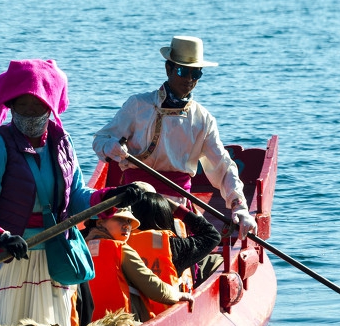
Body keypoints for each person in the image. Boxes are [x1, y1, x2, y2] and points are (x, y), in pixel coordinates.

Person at [0, 59, 144, 326]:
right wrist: (1, 237)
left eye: (38, 106)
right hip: (9, 259)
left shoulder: (62, 143)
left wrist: (113, 196)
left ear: (51, 107)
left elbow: (78, 197)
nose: (30, 113)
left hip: (51, 257)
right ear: (10, 106)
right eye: (23, 106)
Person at [92, 35, 256, 240]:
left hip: (176, 205)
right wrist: (110, 146)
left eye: (196, 73)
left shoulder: (202, 119)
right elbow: (100, 140)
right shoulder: (137, 105)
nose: (189, 79)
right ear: (168, 69)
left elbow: (223, 167)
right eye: (182, 71)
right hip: (135, 201)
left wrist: (239, 206)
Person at [83, 207, 192, 323]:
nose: (126, 226)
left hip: (89, 325)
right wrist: (177, 295)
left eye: (129, 221)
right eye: (120, 219)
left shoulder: (83, 248)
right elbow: (150, 283)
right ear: (100, 223)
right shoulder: (121, 250)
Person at [127, 191, 222, 311]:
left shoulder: (120, 241)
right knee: (216, 260)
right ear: (166, 217)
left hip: (132, 313)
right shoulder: (175, 246)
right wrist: (178, 210)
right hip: (165, 312)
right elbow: (213, 236)